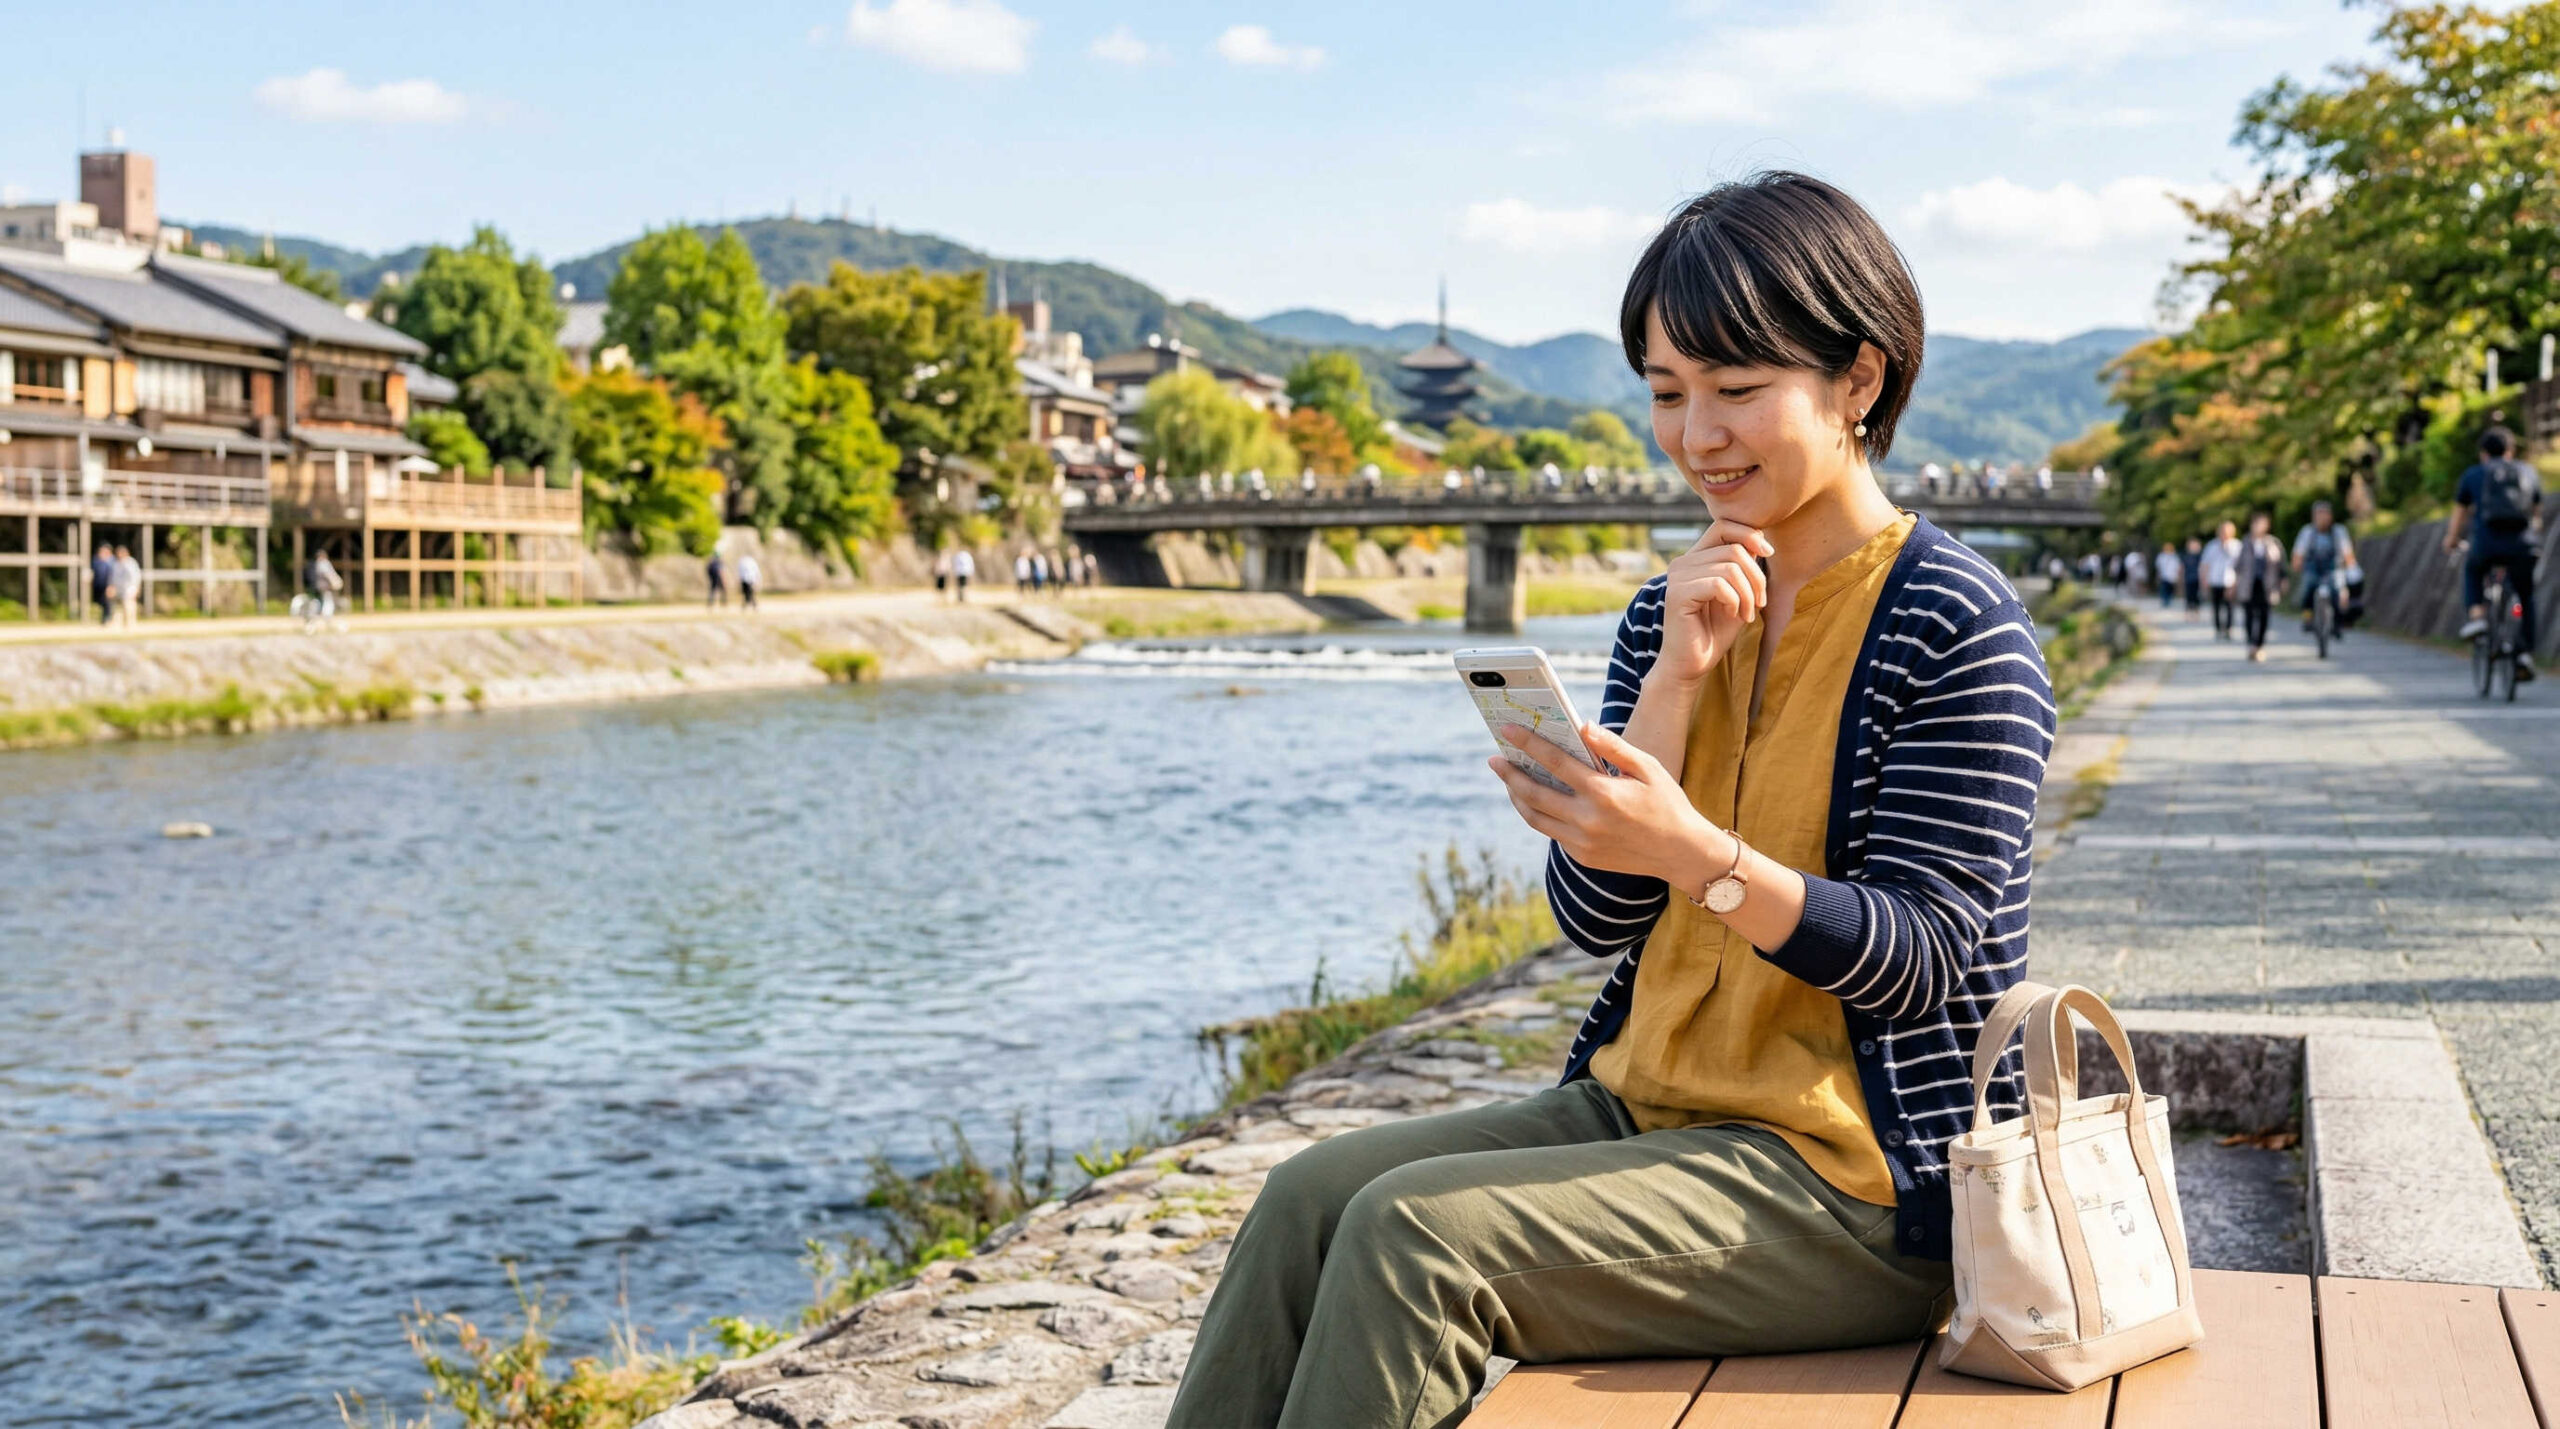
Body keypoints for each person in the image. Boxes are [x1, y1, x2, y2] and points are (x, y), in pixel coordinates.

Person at [1171, 171, 2052, 1429]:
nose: (1698, 435)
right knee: (1309, 1196)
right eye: (1665, 392)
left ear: (1859, 381)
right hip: (1643, 1110)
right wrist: (1674, 688)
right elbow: (1596, 915)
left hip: (1858, 1185)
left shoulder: (1958, 627)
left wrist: (1698, 853)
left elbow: (1925, 961)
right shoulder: (1667, 610)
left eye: (1739, 391)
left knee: (1416, 1239)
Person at [2448, 425, 2542, 679]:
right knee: (2525, 595)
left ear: (2483, 453)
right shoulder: (2527, 472)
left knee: (2472, 569)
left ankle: (2478, 616)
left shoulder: (2474, 474)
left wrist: (2451, 540)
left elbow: (2459, 515)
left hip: (2486, 545)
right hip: (2523, 546)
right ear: (2511, 451)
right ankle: (2524, 652)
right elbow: (2536, 515)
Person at [2291, 500, 2356, 631]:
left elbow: (2347, 553)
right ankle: (2308, 617)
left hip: (2333, 567)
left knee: (2337, 590)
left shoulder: (2339, 531)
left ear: (2331, 516)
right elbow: (2298, 554)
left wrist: (2350, 567)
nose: (2322, 518)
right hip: (2312, 567)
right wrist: (2297, 565)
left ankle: (2337, 622)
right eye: (2319, 514)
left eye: (2325, 514)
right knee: (2307, 589)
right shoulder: (2307, 532)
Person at [2235, 512, 2287, 662]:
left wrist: (2283, 580)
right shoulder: (2245, 543)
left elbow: (2281, 564)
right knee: (2249, 616)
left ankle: (2260, 645)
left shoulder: (2273, 543)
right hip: (2248, 585)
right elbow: (2238, 565)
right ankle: (2251, 645)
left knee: (2264, 616)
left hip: (2267, 585)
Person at [2202, 520, 2241, 640]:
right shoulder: (2212, 546)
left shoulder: (2237, 546)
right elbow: (2205, 564)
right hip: (2215, 580)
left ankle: (2229, 629)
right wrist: (2204, 579)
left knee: (2230, 607)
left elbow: (2241, 566)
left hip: (2230, 581)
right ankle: (2218, 629)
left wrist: (2238, 582)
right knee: (2216, 607)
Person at [111, 545, 142, 628]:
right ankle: (120, 623)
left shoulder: (131, 563)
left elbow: (135, 576)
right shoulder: (116, 563)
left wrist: (136, 588)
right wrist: (112, 586)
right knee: (118, 606)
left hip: (130, 587)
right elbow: (114, 577)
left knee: (129, 605)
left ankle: (130, 623)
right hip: (119, 588)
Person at [2180, 536, 2204, 619]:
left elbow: (2202, 567)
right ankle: (2188, 613)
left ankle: (2196, 613)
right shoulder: (2186, 556)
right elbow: (2183, 568)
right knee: (2188, 597)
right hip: (2188, 579)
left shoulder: (2200, 556)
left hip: (2197, 579)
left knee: (2196, 597)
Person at [2154, 541, 2180, 609]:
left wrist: (2177, 576)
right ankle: (2165, 601)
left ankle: (2169, 600)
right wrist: (2158, 575)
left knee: (2170, 589)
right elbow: (2158, 567)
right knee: (2164, 589)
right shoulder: (2161, 556)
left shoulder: (2174, 557)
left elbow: (2177, 567)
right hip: (2164, 576)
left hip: (2172, 576)